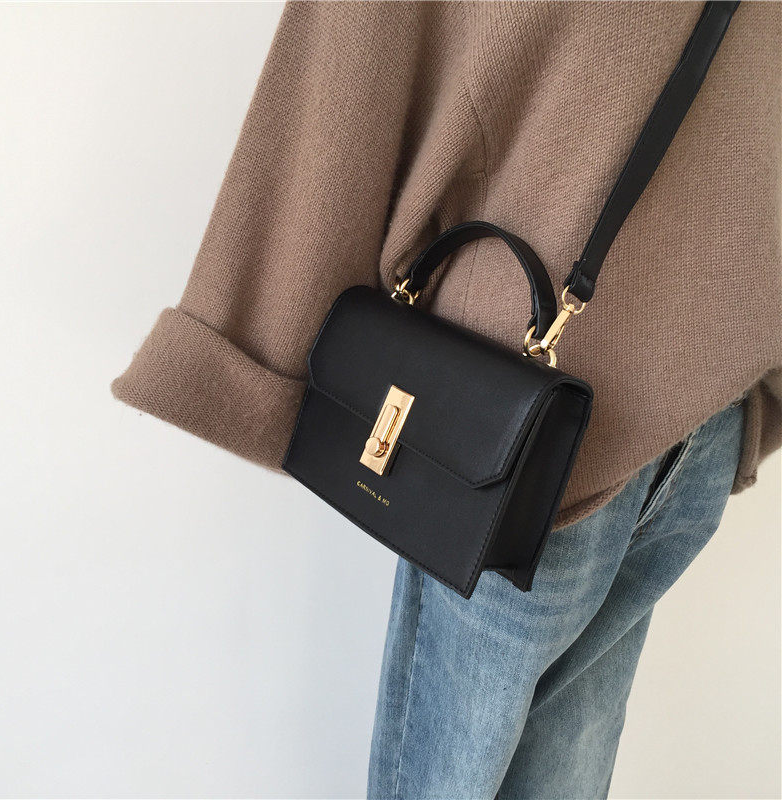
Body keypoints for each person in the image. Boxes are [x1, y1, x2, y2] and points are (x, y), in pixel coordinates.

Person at [112, 3, 781, 797]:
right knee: (561, 764)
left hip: (537, 433)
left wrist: (260, 345)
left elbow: (352, 46)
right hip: (676, 396)